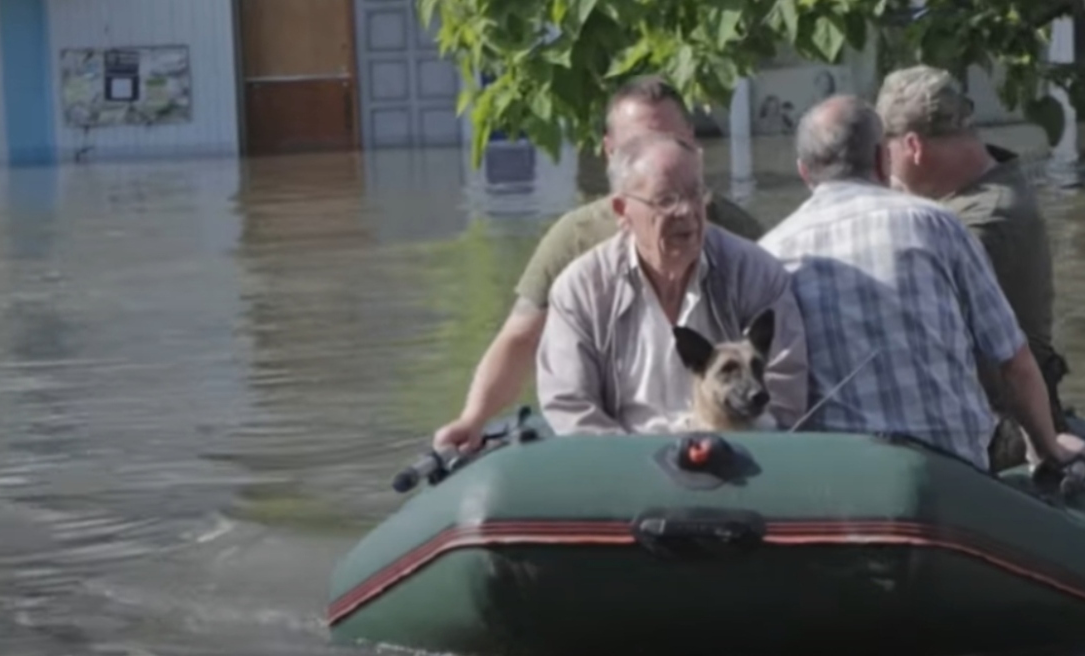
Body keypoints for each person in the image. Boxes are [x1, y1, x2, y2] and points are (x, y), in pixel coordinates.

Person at [431, 75, 767, 452]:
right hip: (618, 443)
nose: (683, 213)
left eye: (672, 141)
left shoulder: (738, 238)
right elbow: (521, 337)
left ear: (692, 140)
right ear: (610, 152)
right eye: (638, 145)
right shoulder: (575, 238)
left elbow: (778, 348)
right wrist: (473, 418)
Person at [758, 94, 1074, 473]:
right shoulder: (935, 223)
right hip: (953, 475)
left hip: (841, 479)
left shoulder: (769, 256)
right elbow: (1014, 363)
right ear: (882, 159)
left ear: (804, 172)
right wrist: (1049, 453)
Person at [536, 133, 808, 434]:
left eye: (696, 194)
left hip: (742, 461)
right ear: (622, 211)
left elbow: (785, 393)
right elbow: (571, 407)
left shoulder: (756, 272)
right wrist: (642, 469)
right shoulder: (581, 290)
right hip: (626, 465)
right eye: (666, 200)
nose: (687, 211)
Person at [875, 64, 1067, 470]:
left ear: (912, 147)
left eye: (885, 153)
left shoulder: (980, 222)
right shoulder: (982, 187)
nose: (884, 170)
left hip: (1005, 426)